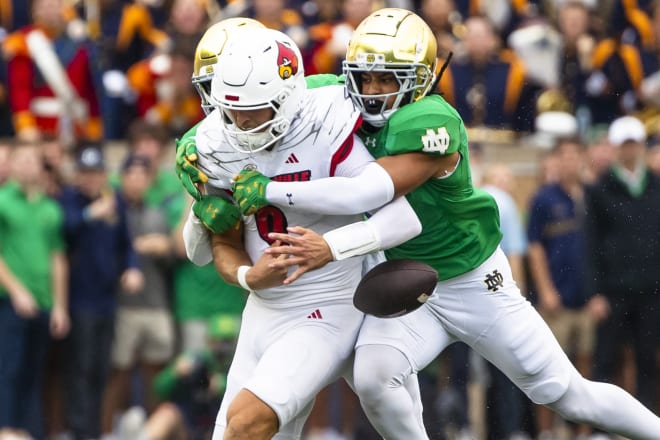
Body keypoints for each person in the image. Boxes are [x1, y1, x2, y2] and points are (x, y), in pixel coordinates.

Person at [224, 8, 660, 439]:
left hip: (472, 279)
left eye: (388, 78)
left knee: (565, 393)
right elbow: (282, 95)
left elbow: (372, 194)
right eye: (365, 77)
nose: (372, 90)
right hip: (411, 286)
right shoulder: (340, 101)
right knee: (375, 379)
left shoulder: (433, 121)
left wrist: (266, 190)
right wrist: (202, 138)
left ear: (422, 76)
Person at [180, 25, 425, 440]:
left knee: (246, 423)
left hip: (327, 305)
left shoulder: (324, 121)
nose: (239, 121)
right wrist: (245, 272)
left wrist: (329, 247)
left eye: (254, 109)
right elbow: (210, 250)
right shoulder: (212, 140)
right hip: (261, 311)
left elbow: (402, 219)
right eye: (230, 108)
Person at [0, 141, 69, 438]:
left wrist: (60, 306)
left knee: (35, 371)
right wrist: (16, 291)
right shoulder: (2, 201)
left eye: (33, 160)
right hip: (9, 302)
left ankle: (28, 431)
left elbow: (57, 258)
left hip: (43, 301)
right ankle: (6, 428)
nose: (28, 165)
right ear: (11, 164)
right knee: (9, 369)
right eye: (22, 159)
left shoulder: (50, 208)